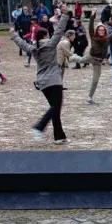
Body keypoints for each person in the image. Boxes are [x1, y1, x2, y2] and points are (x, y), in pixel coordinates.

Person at [9, 9, 70, 144]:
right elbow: (59, 31)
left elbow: (21, 43)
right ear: (46, 35)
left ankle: (59, 137)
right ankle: (39, 126)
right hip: (53, 80)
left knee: (55, 108)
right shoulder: (50, 44)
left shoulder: (33, 48)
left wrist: (13, 33)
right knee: (55, 107)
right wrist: (65, 15)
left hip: (42, 82)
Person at [70, 9, 112, 104]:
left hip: (98, 62)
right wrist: (92, 15)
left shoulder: (107, 38)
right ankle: (71, 56)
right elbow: (90, 27)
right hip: (90, 57)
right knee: (80, 60)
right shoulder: (93, 36)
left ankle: (89, 98)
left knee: (95, 81)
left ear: (104, 31)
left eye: (102, 29)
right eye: (99, 29)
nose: (101, 31)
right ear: (97, 31)